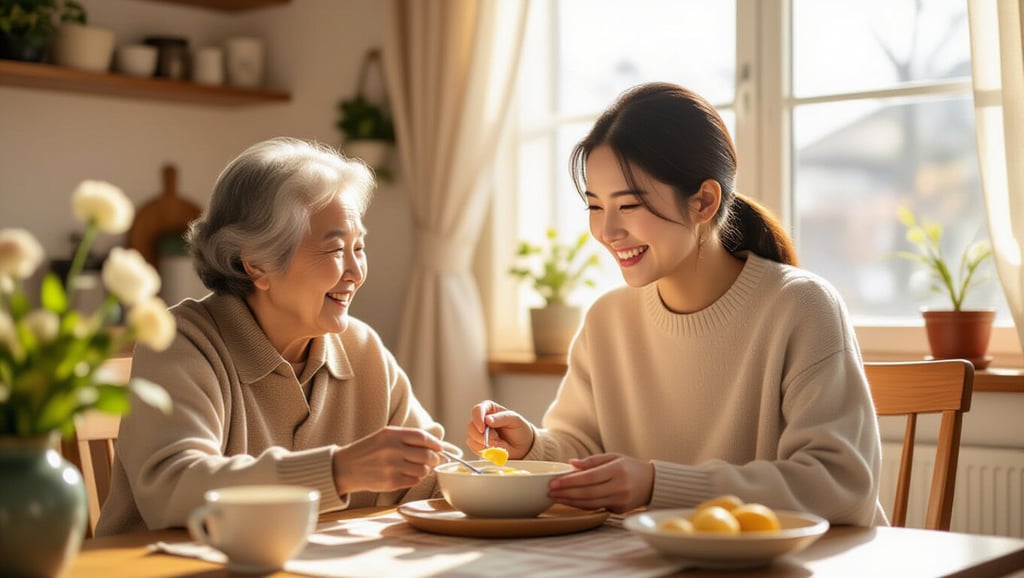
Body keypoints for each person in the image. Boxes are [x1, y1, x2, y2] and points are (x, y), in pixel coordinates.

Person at [468, 82, 887, 525]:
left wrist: (656, 484)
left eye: (628, 205)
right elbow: (581, 451)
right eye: (595, 206)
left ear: (704, 201)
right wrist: (530, 446)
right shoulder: (608, 320)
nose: (607, 231)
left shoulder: (800, 306)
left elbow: (840, 484)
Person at [97, 137, 457, 535]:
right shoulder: (182, 343)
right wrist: (338, 471)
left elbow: (435, 479)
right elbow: (174, 489)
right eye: (336, 249)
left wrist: (525, 455)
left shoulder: (362, 349)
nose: (355, 271)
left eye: (360, 247)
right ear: (257, 264)